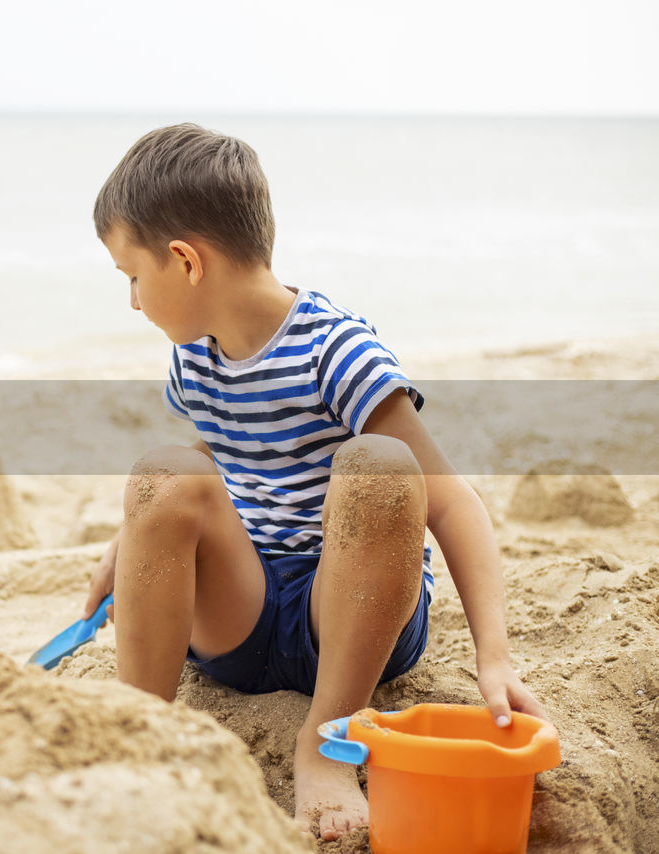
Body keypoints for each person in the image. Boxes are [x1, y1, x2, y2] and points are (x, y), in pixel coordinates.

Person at [83, 123, 548, 842]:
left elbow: (452, 502)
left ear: (184, 261)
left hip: (354, 615)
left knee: (383, 467)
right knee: (160, 472)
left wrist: (495, 657)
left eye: (132, 278)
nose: (135, 303)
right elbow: (207, 472)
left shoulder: (338, 350)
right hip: (247, 610)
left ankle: (327, 741)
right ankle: (136, 730)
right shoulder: (193, 363)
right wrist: (134, 542)